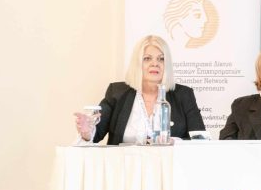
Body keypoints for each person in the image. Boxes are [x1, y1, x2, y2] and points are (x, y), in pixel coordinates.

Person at [74, 35, 205, 145]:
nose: (155, 63)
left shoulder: (184, 94)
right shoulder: (117, 93)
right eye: (147, 58)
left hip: (170, 166)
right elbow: (96, 134)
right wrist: (87, 132)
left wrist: (174, 142)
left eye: (161, 59)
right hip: (124, 166)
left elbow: (200, 140)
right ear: (137, 63)